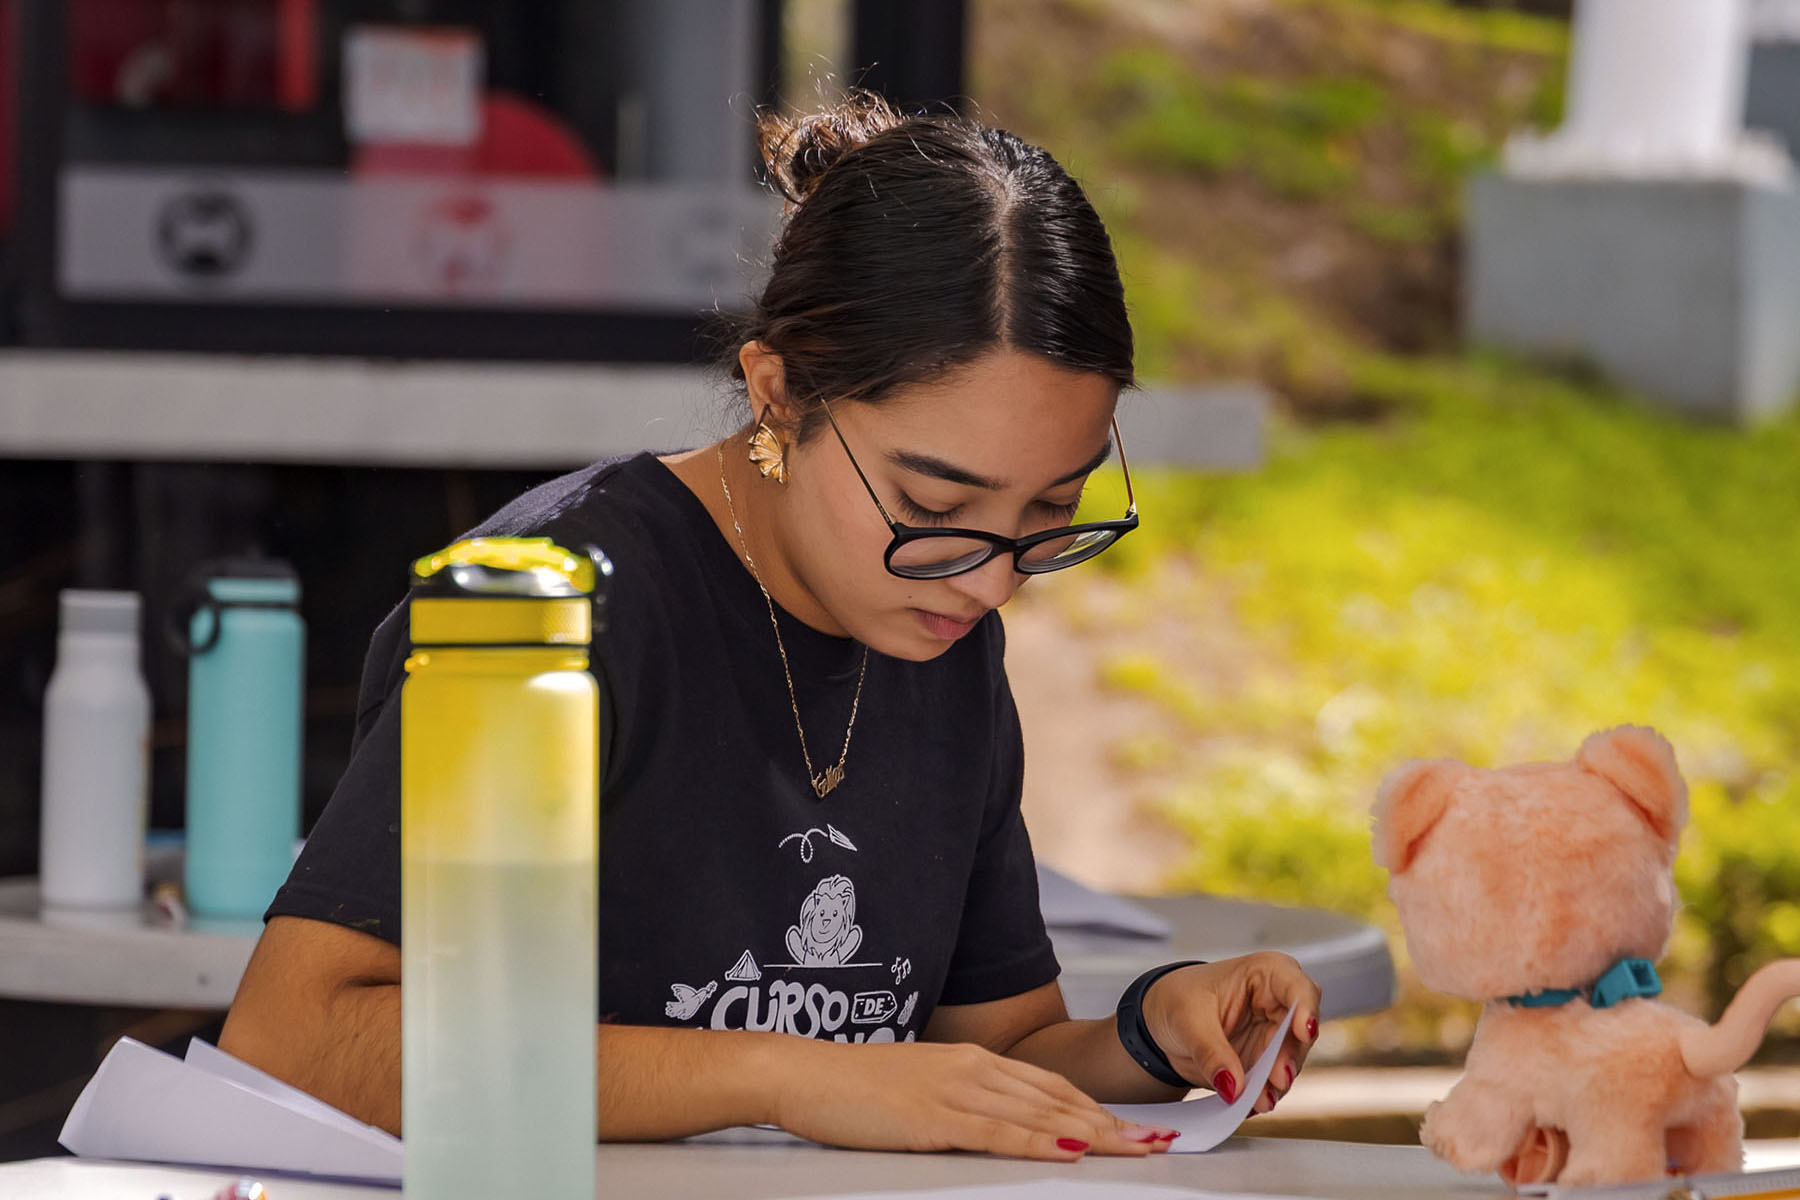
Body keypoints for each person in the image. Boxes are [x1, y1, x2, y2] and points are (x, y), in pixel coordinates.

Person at [218, 91, 1322, 1161]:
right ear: (778, 395)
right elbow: (297, 1041)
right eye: (933, 505)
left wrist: (1154, 1028)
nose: (993, 584)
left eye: (1051, 511)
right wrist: (788, 1077)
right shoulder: (554, 609)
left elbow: (991, 1053)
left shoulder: (933, 621)